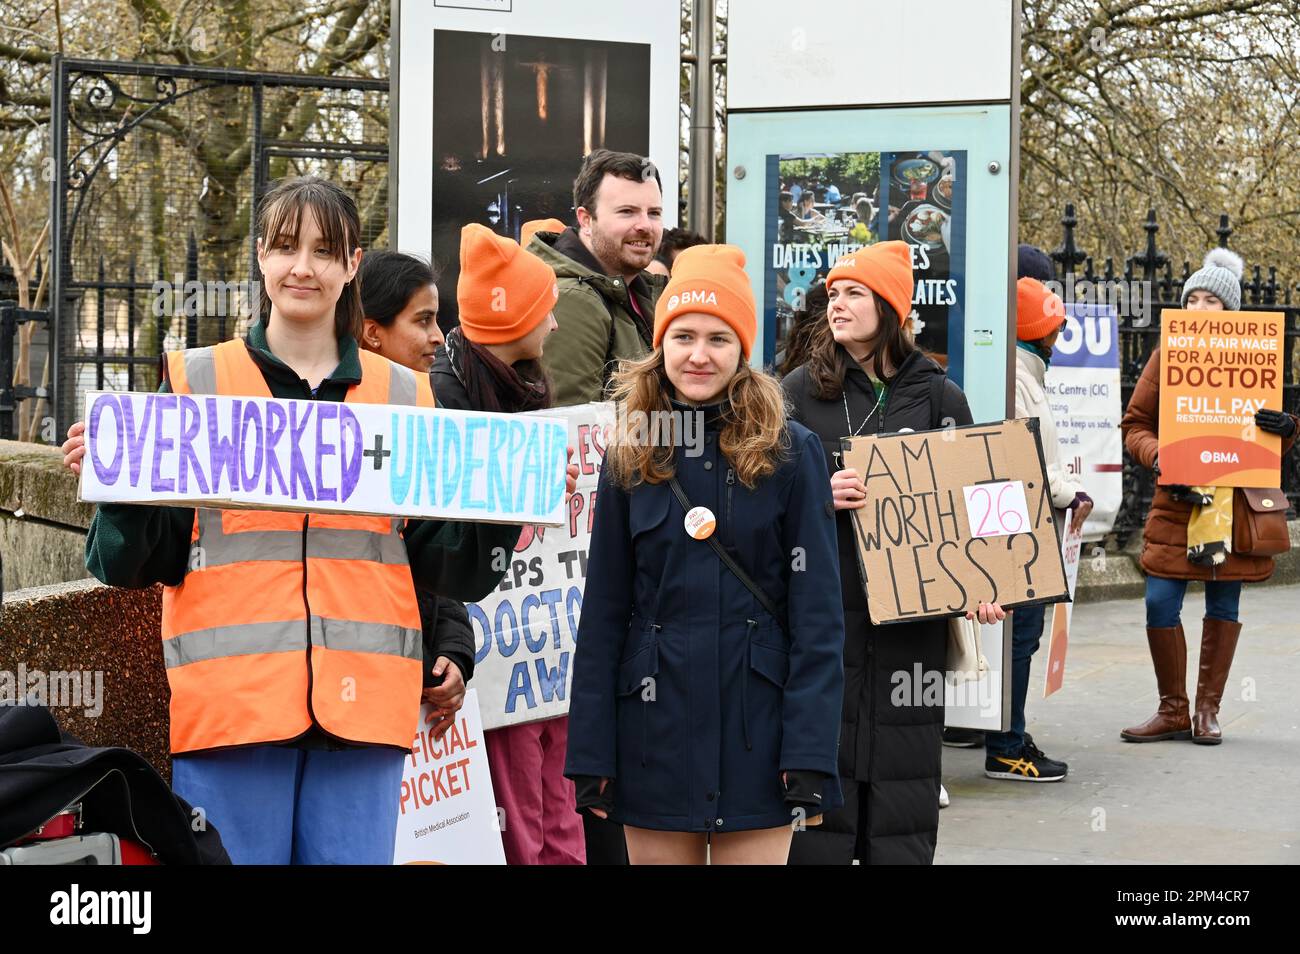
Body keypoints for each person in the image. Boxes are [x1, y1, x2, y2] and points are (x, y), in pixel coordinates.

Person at [61, 176, 520, 864]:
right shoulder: (194, 381)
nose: (302, 266)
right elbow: (128, 562)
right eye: (284, 246)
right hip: (231, 714)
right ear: (260, 256)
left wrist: (507, 503)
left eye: (324, 250)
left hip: (363, 716)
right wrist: (118, 481)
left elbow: (444, 564)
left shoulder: (407, 397)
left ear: (352, 264)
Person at [564, 244, 846, 865]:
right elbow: (605, 612)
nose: (698, 354)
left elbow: (819, 620)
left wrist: (808, 754)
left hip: (761, 739)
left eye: (719, 338)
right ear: (659, 342)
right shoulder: (630, 452)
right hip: (652, 738)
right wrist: (591, 752)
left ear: (743, 350)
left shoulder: (793, 453)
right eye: (683, 335)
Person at [781, 241, 1005, 864]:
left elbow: (978, 510)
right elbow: (760, 495)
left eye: (854, 292)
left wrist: (988, 583)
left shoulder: (940, 397)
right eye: (832, 293)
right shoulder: (797, 392)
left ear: (891, 306)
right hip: (827, 622)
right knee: (824, 804)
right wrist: (818, 497)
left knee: (904, 804)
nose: (838, 303)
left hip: (912, 633)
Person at [430, 223, 584, 864]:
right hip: (492, 658)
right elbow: (441, 541)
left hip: (545, 656)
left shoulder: (519, 388)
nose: (553, 328)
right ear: (513, 319)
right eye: (545, 312)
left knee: (560, 801)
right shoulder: (444, 401)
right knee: (520, 808)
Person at [1120, 248, 1298, 745]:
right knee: (1160, 601)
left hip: (1234, 506)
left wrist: (1288, 428)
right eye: (1192, 299)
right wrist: (1160, 458)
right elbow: (1135, 425)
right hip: (1178, 499)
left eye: (1211, 301)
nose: (1199, 308)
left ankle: (1207, 710)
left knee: (1224, 602)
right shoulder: (1166, 355)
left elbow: (1268, 437)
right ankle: (1172, 708)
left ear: (1231, 311)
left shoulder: (1255, 357)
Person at [979, 278, 1093, 782]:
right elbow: (1025, 454)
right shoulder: (1018, 379)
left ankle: (1005, 731)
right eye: (1055, 326)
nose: (1059, 336)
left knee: (1019, 632)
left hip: (1019, 513)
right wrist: (1069, 493)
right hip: (1018, 519)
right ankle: (1005, 745)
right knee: (1019, 633)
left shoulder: (1025, 373)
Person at [357, 249, 472, 740]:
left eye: (438, 319)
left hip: (407, 690)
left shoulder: (429, 416)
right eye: (422, 320)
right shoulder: (335, 426)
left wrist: (453, 651)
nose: (437, 337)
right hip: (359, 696)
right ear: (371, 331)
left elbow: (433, 560)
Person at [526, 150, 668, 407]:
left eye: (654, 213)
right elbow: (571, 431)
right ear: (586, 220)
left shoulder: (637, 288)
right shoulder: (572, 298)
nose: (645, 225)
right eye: (627, 211)